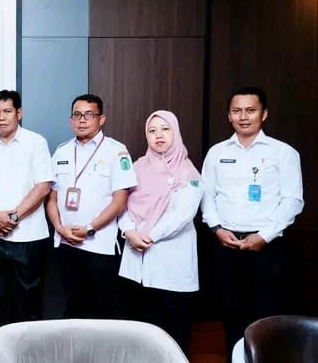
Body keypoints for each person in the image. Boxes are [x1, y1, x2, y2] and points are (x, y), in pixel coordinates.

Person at [201, 86, 304, 352]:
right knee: (229, 312)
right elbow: (207, 195)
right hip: (226, 244)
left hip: (266, 247)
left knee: (265, 315)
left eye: (250, 110)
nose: (243, 117)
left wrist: (264, 236)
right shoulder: (216, 152)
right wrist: (216, 228)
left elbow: (293, 200)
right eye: (237, 111)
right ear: (229, 115)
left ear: (264, 114)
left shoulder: (283, 152)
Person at [118, 110, 202, 355]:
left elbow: (183, 214)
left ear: (175, 133)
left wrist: (149, 235)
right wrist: (128, 231)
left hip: (170, 260)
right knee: (143, 328)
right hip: (137, 258)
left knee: (174, 329)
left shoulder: (188, 172)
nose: (158, 135)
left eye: (165, 129)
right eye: (152, 130)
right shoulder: (136, 167)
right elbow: (121, 203)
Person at [46, 94, 137, 320]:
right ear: (71, 119)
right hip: (66, 242)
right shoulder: (61, 152)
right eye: (77, 115)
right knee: (73, 305)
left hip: (99, 244)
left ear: (101, 118)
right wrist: (59, 227)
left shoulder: (116, 151)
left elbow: (120, 201)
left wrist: (89, 228)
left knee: (104, 307)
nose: (82, 120)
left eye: (89, 114)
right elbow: (51, 198)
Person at [0, 90, 52, 334]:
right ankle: (1, 349)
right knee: (0, 297)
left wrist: (13, 217)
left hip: (30, 235)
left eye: (7, 111)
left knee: (30, 299)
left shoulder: (35, 142)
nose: (1, 117)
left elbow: (43, 186)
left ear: (19, 113)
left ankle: (29, 350)